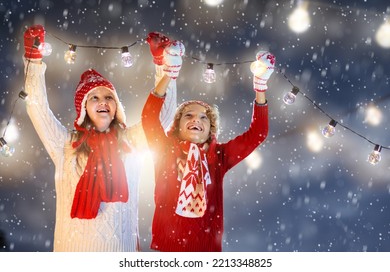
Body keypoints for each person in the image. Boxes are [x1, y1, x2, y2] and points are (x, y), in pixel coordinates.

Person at [22, 25, 185, 251]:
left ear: (116, 106)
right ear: (84, 108)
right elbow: (37, 108)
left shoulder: (131, 142)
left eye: (109, 97)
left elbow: (164, 117)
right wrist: (33, 59)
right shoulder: (67, 144)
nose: (103, 101)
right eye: (94, 98)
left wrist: (163, 66)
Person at [141, 50, 274, 251]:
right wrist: (169, 73)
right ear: (177, 126)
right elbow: (149, 117)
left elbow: (258, 133)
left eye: (204, 117)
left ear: (211, 130)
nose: (196, 119)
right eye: (189, 115)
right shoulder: (165, 150)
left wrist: (260, 88)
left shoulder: (218, 157)